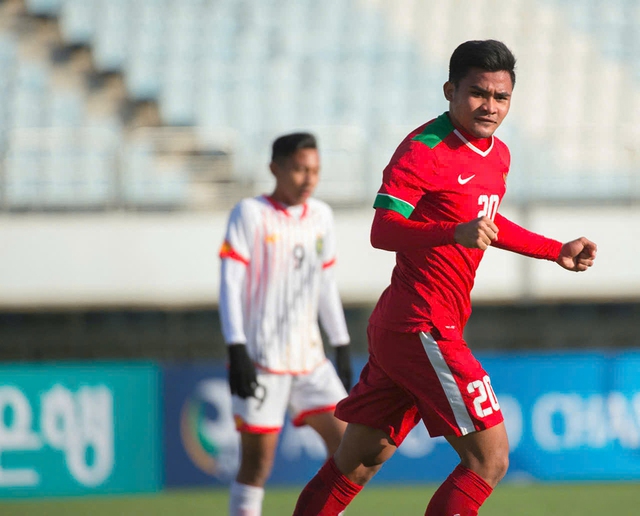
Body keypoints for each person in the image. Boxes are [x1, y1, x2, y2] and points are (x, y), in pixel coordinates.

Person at [292, 40, 598, 516]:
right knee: (490, 461)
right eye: (478, 93)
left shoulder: (497, 155)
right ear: (450, 90)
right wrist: (452, 232)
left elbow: (488, 222)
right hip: (423, 325)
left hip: (409, 329)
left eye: (501, 98)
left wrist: (554, 251)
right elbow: (382, 230)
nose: (490, 107)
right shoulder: (423, 149)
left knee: (356, 464)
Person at [219, 132, 353, 516]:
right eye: (298, 169)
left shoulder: (322, 216)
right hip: (262, 361)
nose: (308, 178)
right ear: (275, 168)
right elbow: (230, 282)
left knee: (349, 451)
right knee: (257, 464)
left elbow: (325, 283)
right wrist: (236, 345)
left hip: (311, 360)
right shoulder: (249, 213)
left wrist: (341, 344)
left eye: (314, 170)